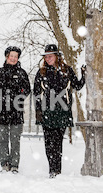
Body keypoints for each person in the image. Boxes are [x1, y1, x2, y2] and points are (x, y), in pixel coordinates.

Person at [33, 44, 85, 178]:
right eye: (46, 56)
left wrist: (84, 75)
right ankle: (52, 170)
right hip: (46, 111)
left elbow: (77, 86)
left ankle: (57, 170)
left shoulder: (66, 70)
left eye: (50, 56)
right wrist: (38, 111)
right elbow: (37, 93)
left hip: (62, 110)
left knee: (57, 142)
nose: (48, 58)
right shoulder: (41, 72)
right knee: (48, 143)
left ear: (57, 56)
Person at [0, 46, 30, 174]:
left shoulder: (22, 73)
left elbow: (27, 89)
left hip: (17, 112)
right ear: (7, 56)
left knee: (15, 139)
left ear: (18, 58)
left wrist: (18, 98)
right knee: (2, 139)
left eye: (15, 56)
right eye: (11, 56)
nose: (13, 58)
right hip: (2, 112)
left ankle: (14, 165)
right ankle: (4, 163)